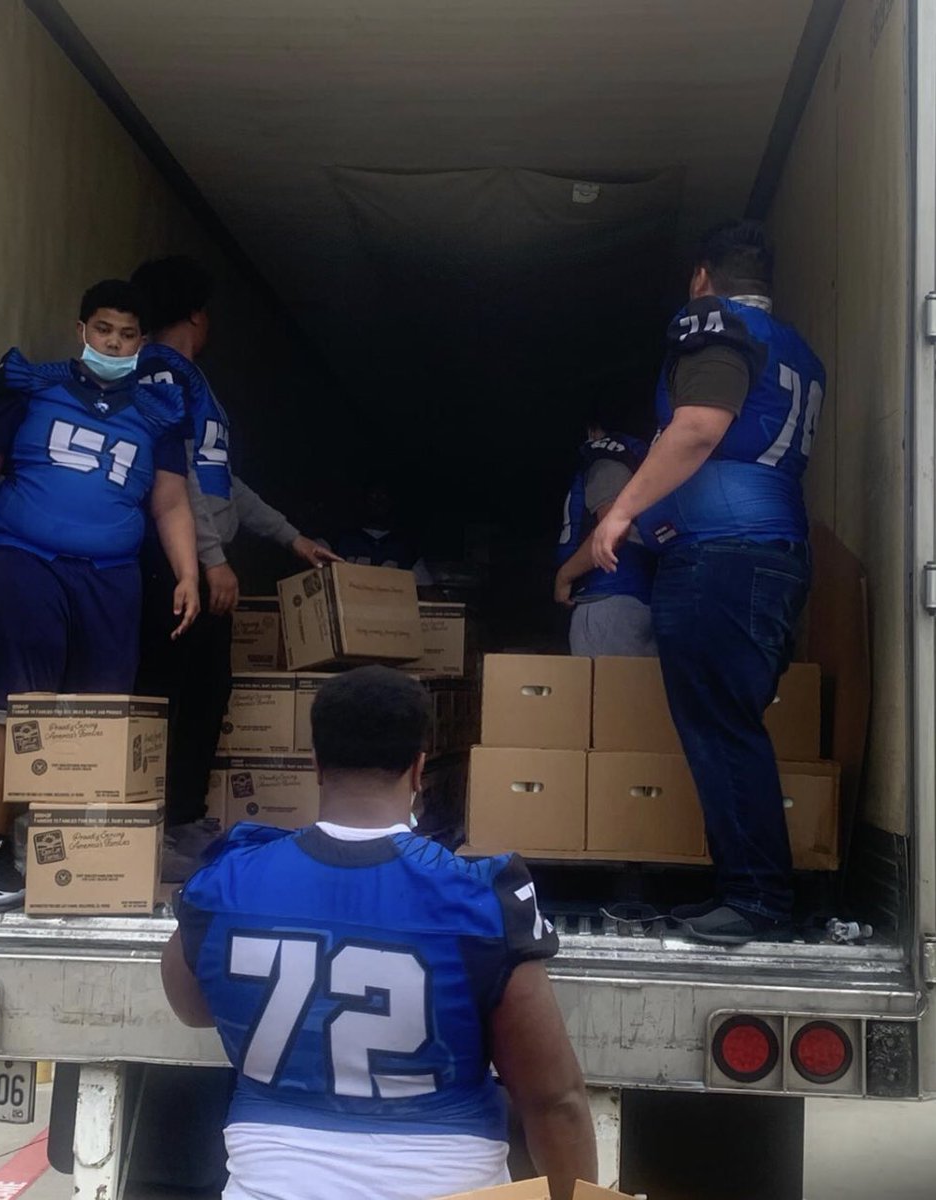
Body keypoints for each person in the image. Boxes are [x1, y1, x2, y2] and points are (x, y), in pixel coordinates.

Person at [162, 666, 597, 1200]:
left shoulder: (224, 881)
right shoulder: (480, 900)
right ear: (418, 770)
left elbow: (193, 1008)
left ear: (317, 764)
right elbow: (554, 1101)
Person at [558, 220, 825, 945]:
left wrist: (621, 517)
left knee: (723, 730)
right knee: (729, 726)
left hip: (723, 559)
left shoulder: (713, 323)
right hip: (768, 554)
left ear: (702, 277)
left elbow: (700, 426)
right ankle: (744, 890)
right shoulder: (795, 348)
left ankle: (756, 900)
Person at [0, 280, 199, 905]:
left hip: (110, 575)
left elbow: (168, 501)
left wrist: (187, 570)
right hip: (25, 560)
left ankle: (76, 851)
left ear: (143, 342)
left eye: (128, 333)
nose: (115, 342)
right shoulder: (28, 385)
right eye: (105, 329)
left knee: (97, 717)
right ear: (82, 328)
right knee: (12, 702)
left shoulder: (159, 411)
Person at [129, 256, 338, 835]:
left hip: (196, 558)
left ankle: (182, 820)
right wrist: (212, 560)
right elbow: (177, 483)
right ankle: (164, 824)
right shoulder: (161, 377)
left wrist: (293, 538)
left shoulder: (193, 383)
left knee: (203, 690)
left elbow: (224, 481)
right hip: (173, 562)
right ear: (197, 314)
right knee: (172, 695)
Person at [554, 422, 657, 656]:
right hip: (639, 595)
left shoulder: (606, 462)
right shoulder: (647, 461)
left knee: (604, 688)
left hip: (609, 599)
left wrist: (564, 576)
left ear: (592, 429)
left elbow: (613, 531)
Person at [329, 482, 434, 586]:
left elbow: (427, 591)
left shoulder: (407, 550)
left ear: (392, 502)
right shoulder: (338, 540)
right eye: (372, 497)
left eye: (383, 497)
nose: (377, 503)